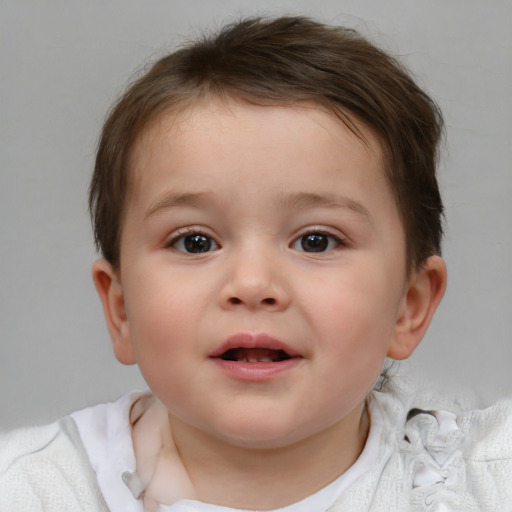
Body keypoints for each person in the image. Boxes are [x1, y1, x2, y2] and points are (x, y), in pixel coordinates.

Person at [1, 15, 511, 512]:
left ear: (408, 306)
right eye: (195, 242)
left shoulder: (484, 480)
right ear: (121, 310)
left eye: (315, 241)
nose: (251, 284)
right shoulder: (30, 490)